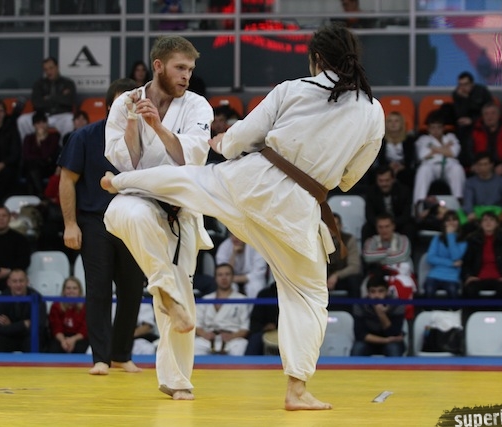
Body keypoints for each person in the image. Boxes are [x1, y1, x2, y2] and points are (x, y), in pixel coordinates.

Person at [101, 24, 384, 409]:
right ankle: (297, 390)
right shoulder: (373, 111)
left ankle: (119, 182)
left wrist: (224, 143)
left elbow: (239, 139)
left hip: (252, 183)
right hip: (298, 210)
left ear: (316, 58)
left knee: (189, 181)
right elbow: (350, 179)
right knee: (308, 296)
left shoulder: (293, 89)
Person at [102, 36, 214, 400]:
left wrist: (158, 126)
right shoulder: (125, 102)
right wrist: (133, 123)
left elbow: (191, 158)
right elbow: (125, 162)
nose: (186, 76)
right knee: (125, 211)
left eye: (190, 69)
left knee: (183, 301)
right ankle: (162, 287)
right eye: (180, 68)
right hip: (137, 197)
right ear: (158, 65)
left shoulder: (197, 105)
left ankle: (176, 381)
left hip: (179, 207)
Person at [57, 78, 146, 375]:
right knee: (99, 289)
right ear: (109, 106)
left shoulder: (146, 138)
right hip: (95, 220)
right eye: (122, 102)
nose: (128, 107)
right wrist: (70, 224)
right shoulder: (84, 137)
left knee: (132, 289)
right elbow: (67, 180)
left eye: (133, 102)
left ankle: (121, 354)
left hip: (133, 221)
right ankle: (100, 358)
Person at [194, 263, 250, 356]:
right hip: (208, 338)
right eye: (220, 275)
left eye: (227, 274)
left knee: (241, 345)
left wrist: (232, 336)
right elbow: (197, 324)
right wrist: (204, 334)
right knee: (195, 345)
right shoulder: (206, 299)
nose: (224, 278)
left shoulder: (242, 299)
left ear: (233, 277)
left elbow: (245, 328)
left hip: (233, 339)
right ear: (215, 278)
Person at [0, 269, 47, 353]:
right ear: (9, 283)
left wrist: (10, 325)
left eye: (21, 281)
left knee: (36, 339)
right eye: (14, 281)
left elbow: (39, 326)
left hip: (28, 337)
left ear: (27, 282)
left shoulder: (37, 297)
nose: (18, 285)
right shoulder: (2, 298)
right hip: (9, 337)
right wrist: (23, 324)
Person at [17, 57, 77, 141]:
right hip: (42, 115)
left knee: (70, 120)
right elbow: (36, 103)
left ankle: (64, 148)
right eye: (46, 69)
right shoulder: (39, 84)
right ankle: (29, 146)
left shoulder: (68, 83)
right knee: (22, 120)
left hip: (61, 115)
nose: (49, 72)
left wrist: (48, 98)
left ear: (57, 67)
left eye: (51, 68)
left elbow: (69, 101)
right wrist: (59, 97)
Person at [462, 211, 502, 300]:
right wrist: (468, 276)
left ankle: (492, 308)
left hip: (500, 278)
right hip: (477, 278)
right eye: (485, 220)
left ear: (497, 224)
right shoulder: (472, 241)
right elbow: (466, 262)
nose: (488, 222)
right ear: (480, 224)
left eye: (491, 220)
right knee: (470, 290)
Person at [413, 110, 465, 205]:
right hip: (431, 166)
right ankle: (419, 203)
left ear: (443, 128)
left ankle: (459, 202)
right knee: (423, 170)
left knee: (457, 169)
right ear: (428, 129)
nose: (436, 131)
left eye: (438, 127)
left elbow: (454, 153)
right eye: (432, 128)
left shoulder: (451, 137)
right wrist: (445, 148)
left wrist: (433, 148)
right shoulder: (423, 139)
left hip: (449, 165)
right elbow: (422, 155)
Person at [466, 102, 502, 190]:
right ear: (482, 116)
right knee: (469, 175)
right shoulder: (475, 130)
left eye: (493, 113)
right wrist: (475, 164)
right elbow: (468, 150)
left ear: (499, 115)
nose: (490, 116)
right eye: (486, 114)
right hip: (481, 164)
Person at [351, 273, 405, 357]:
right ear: (368, 293)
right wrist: (386, 340)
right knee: (358, 348)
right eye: (373, 291)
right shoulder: (360, 305)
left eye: (381, 291)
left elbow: (394, 333)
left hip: (392, 342)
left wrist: (381, 314)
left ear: (387, 292)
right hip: (369, 342)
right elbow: (360, 334)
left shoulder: (397, 304)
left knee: (393, 348)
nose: (377, 295)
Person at [362, 165, 416, 245]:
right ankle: (367, 252)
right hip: (379, 225)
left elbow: (406, 215)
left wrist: (391, 225)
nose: (384, 184)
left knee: (409, 228)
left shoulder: (404, 191)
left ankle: (408, 251)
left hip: (398, 223)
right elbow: (369, 215)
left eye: (387, 180)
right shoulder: (371, 192)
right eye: (381, 181)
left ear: (393, 179)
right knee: (367, 229)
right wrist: (382, 225)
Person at [423, 210, 466, 299]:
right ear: (444, 223)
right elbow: (430, 258)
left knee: (452, 291)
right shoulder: (437, 238)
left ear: (458, 222)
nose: (451, 223)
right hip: (435, 274)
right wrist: (451, 263)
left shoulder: (463, 242)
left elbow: (456, 257)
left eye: (454, 220)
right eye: (448, 220)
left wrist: (450, 235)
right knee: (429, 290)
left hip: (452, 276)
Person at [215, 231, 268, 298]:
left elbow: (258, 274)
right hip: (231, 279)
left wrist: (231, 278)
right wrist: (233, 254)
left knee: (255, 287)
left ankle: (253, 305)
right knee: (230, 286)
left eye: (238, 234)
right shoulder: (224, 247)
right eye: (232, 234)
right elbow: (223, 272)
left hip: (250, 279)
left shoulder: (256, 246)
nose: (235, 238)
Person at [22, 111, 61, 196]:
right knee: (32, 168)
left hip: (48, 168)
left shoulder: (54, 137)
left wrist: (42, 140)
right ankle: (41, 195)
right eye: (38, 123)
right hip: (33, 167)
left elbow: (46, 154)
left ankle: (38, 196)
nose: (41, 125)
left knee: (31, 170)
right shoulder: (28, 138)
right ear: (34, 125)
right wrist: (40, 158)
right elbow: (26, 156)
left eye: (43, 122)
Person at [47, 276, 88, 354]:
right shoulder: (56, 305)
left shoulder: (86, 306)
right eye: (68, 288)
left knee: (80, 348)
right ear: (64, 290)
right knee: (54, 348)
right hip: (61, 337)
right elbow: (56, 327)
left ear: (79, 291)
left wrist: (73, 340)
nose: (71, 291)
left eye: (74, 288)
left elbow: (85, 328)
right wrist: (63, 341)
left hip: (79, 337)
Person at [452, 71, 493, 146]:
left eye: (465, 84)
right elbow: (459, 114)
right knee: (461, 127)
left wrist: (472, 120)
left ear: (472, 84)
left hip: (481, 119)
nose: (462, 87)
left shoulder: (482, 91)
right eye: (460, 85)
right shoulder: (457, 94)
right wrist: (464, 98)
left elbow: (489, 111)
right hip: (465, 121)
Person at [376, 111, 417, 185]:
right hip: (385, 168)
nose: (393, 124)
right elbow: (380, 159)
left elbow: (410, 159)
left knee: (409, 174)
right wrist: (389, 167)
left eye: (396, 121)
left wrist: (401, 167)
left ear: (402, 124)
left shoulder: (409, 140)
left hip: (404, 169)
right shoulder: (381, 140)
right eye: (390, 121)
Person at [326, 213, 361, 299]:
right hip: (321, 278)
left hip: (342, 278)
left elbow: (354, 267)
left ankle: (354, 306)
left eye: (335, 225)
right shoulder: (316, 240)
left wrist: (337, 275)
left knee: (354, 280)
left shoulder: (349, 239)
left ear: (341, 226)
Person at [244, 282, 279, 355]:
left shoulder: (297, 294)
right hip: (266, 331)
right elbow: (255, 322)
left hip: (291, 332)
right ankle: (249, 362)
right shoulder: (264, 294)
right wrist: (265, 328)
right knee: (255, 339)